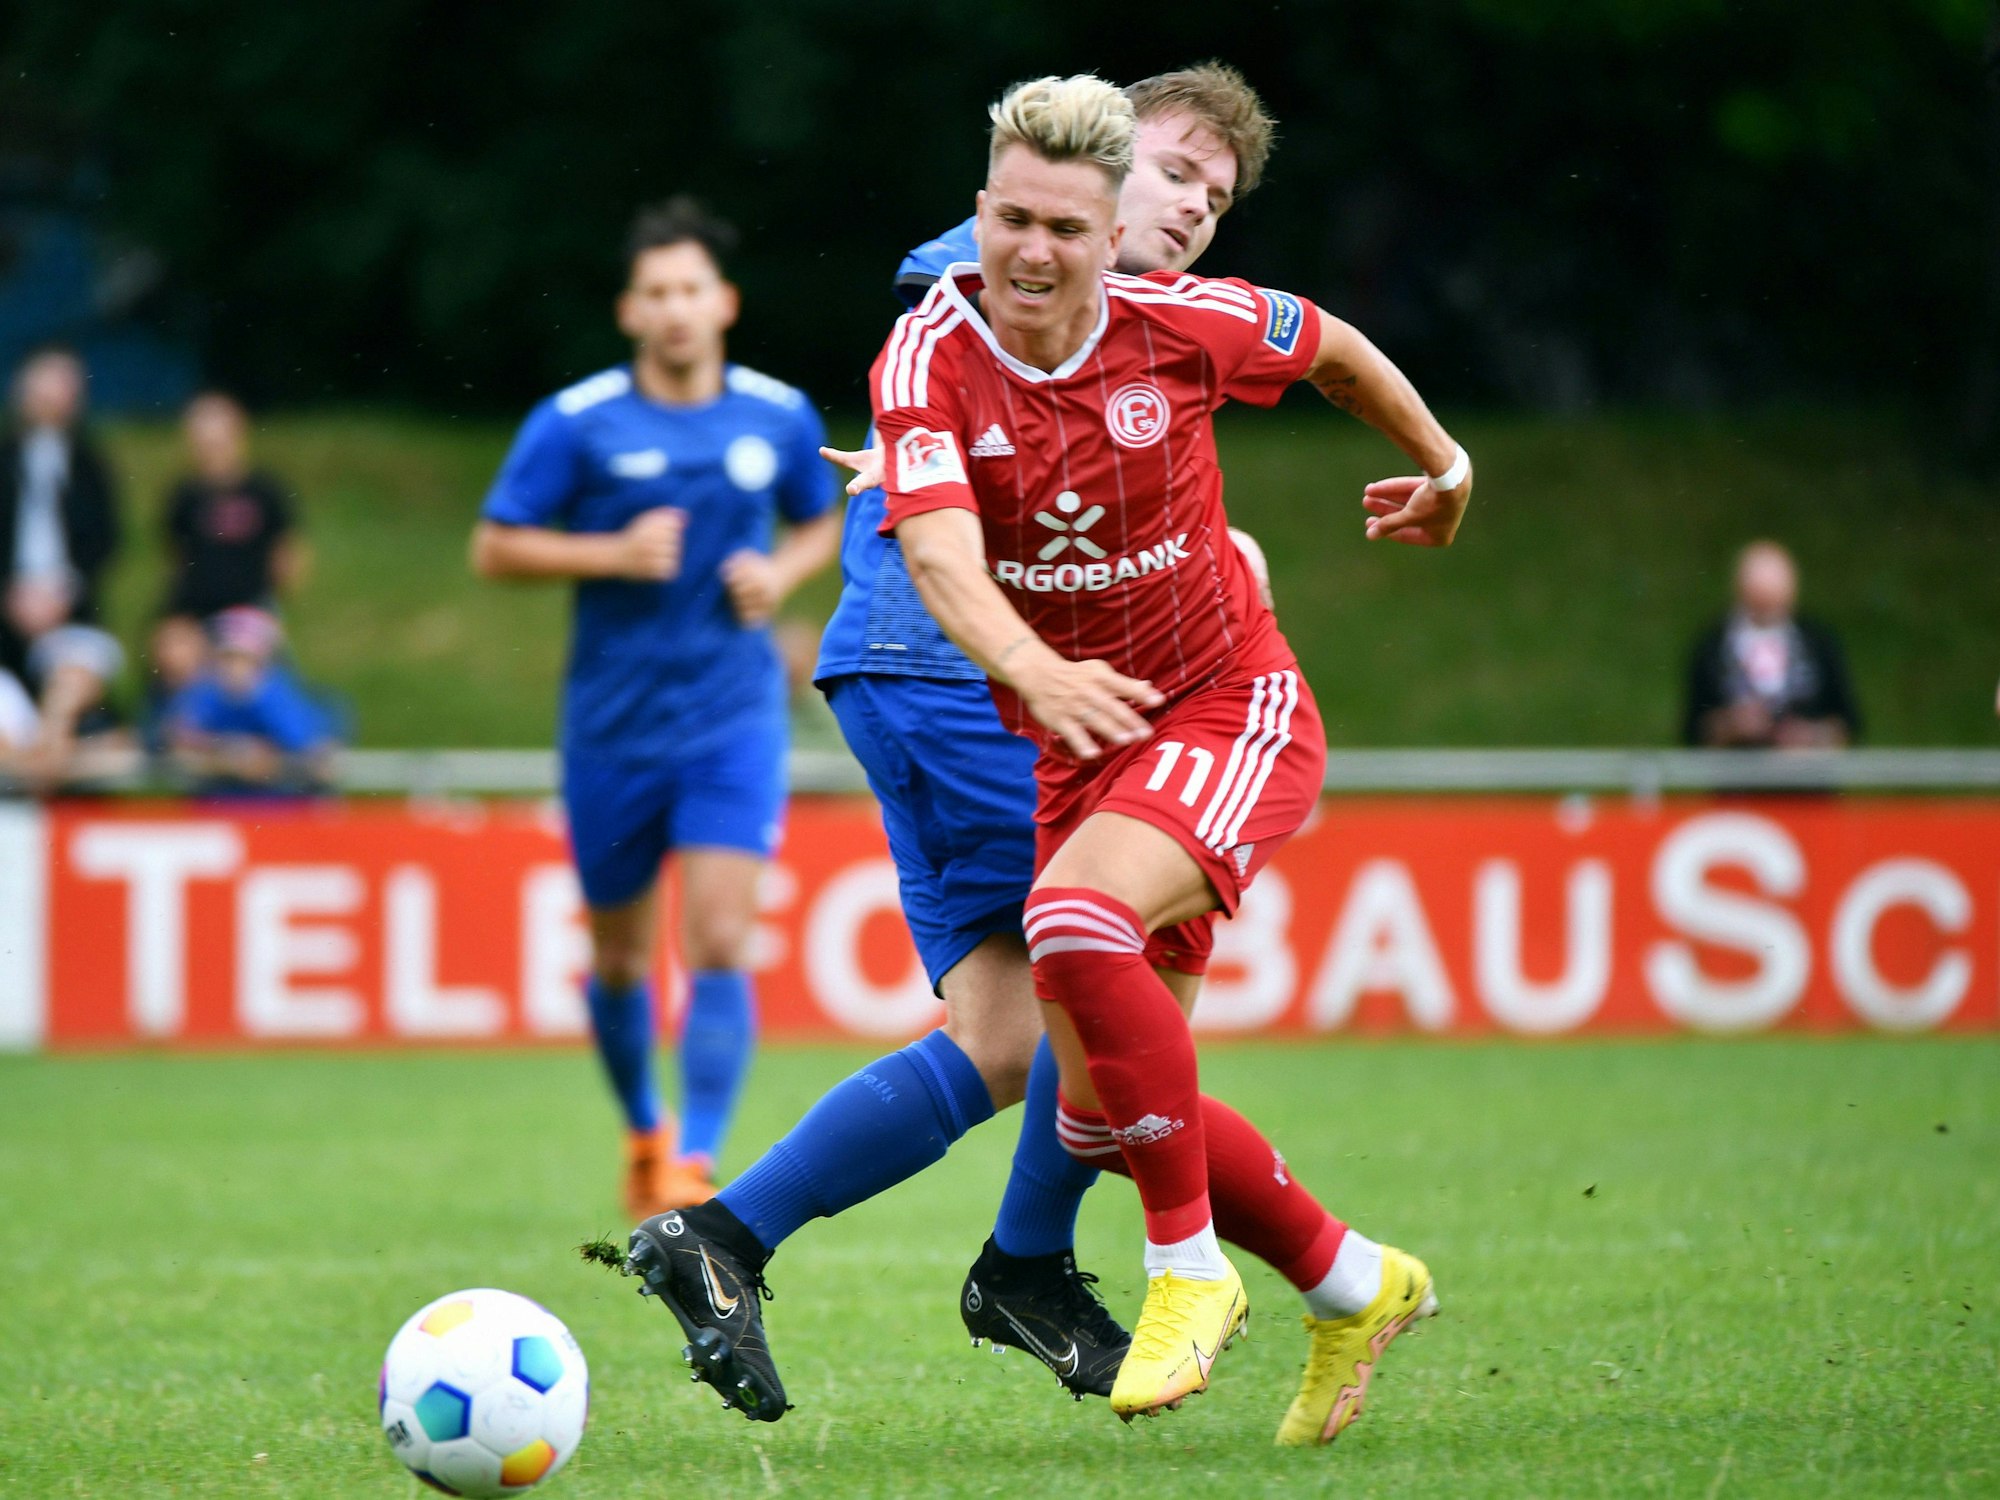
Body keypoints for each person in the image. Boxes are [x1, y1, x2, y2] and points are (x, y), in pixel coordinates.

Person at [625, 68, 1464, 1445]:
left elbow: (1184, 404)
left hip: (964, 678)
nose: (1190, 205)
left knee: (1037, 1034)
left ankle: (1326, 1276)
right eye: (1174, 169)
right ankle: (1058, 1264)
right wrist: (1010, 615)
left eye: (1217, 191)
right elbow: (971, 406)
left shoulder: (1141, 316)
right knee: (1103, 1018)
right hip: (966, 675)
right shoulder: (1009, 273)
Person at [471, 198, 840, 1219]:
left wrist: (781, 571)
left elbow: (824, 518)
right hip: (611, 727)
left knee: (719, 939)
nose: (675, 309)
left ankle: (694, 1156)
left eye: (691, 289)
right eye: (655, 293)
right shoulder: (578, 422)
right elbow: (494, 545)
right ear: (629, 311)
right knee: (621, 955)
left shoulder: (778, 413)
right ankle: (642, 1127)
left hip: (731, 718)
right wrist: (608, 552)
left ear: (723, 302)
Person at [151, 393, 308, 685]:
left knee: (242, 667)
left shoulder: (265, 491)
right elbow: (176, 557)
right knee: (174, 658)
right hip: (195, 610)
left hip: (250, 607)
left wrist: (268, 609)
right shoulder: (184, 496)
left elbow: (288, 558)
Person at [0, 349, 122, 691]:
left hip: (71, 606)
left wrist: (63, 591)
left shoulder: (89, 467)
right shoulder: (6, 460)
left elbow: (104, 539)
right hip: (9, 604)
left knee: (71, 676)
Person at [1683, 541, 1860, 749]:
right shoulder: (1713, 645)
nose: (1766, 611)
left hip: (1805, 777)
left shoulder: (1817, 641)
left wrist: (1810, 736)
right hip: (1739, 775)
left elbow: (1848, 722)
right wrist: (1732, 725)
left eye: (1772, 602)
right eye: (1758, 601)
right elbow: (1693, 729)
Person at [166, 606, 337, 793]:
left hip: (276, 802)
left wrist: (262, 761)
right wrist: (226, 759)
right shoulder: (206, 693)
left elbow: (308, 751)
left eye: (244, 658)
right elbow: (180, 741)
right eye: (227, 658)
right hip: (219, 799)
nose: (234, 668)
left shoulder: (275, 696)